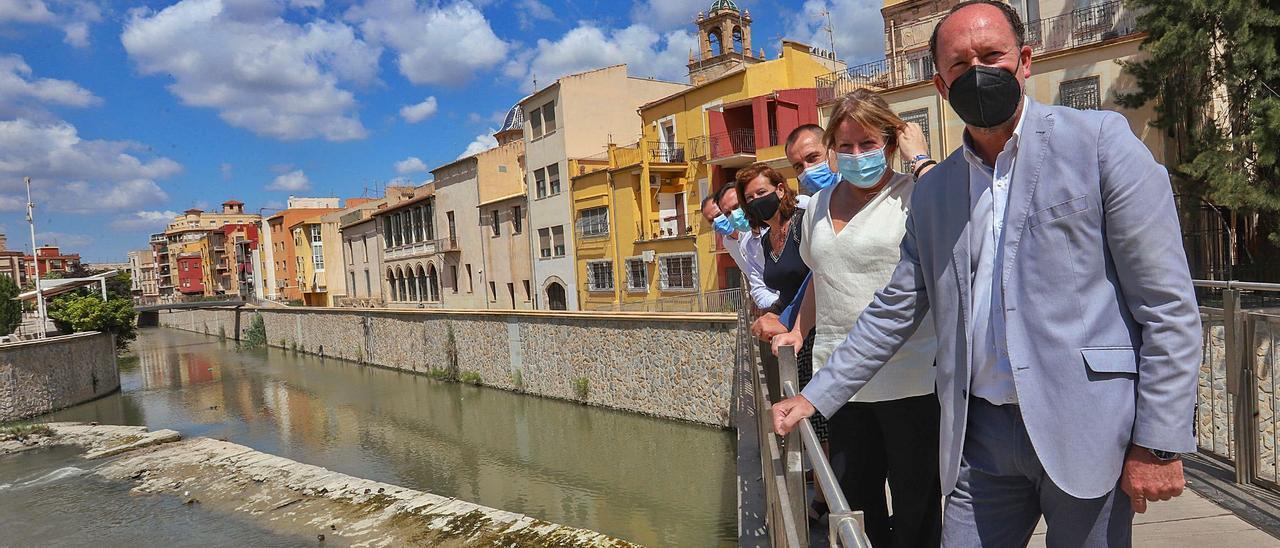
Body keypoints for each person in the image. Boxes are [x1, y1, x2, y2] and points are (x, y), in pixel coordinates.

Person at [771, 1, 1201, 546]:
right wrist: (815, 395)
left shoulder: (1099, 144)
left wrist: (1159, 441)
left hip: (1086, 427)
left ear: (1024, 59)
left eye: (992, 55)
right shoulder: (935, 191)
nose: (978, 72)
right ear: (941, 85)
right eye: (959, 64)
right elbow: (895, 307)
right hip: (980, 439)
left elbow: (1166, 305)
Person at [772, 97, 942, 547]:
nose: (856, 154)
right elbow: (819, 277)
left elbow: (955, 222)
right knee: (853, 504)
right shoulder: (816, 207)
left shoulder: (915, 194)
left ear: (889, 141)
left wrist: (920, 158)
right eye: (844, 145)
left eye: (867, 142)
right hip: (839, 382)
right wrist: (797, 330)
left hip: (913, 382)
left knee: (916, 509)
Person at [703, 190, 779, 311]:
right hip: (772, 302)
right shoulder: (727, 242)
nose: (717, 221)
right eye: (711, 220)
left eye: (718, 215)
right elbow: (753, 276)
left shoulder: (756, 231)